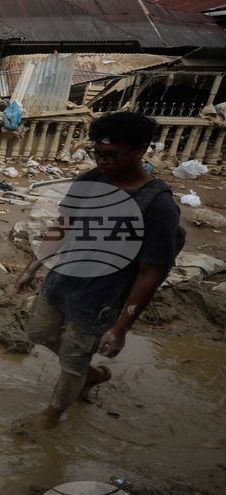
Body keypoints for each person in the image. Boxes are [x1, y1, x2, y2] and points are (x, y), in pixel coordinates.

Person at [14, 111, 181, 427]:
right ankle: (92, 374)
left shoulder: (157, 205)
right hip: (63, 278)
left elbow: (150, 273)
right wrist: (32, 267)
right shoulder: (90, 181)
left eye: (111, 155)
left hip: (103, 297)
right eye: (97, 154)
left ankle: (52, 417)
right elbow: (62, 226)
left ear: (141, 150)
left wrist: (120, 330)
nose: (102, 162)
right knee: (38, 332)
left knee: (72, 364)